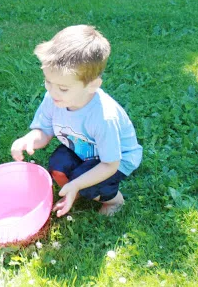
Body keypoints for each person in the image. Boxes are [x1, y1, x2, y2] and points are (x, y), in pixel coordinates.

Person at [11, 25, 142, 217]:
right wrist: (29, 139)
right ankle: (74, 192)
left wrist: (78, 183)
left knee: (89, 184)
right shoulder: (53, 98)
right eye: (48, 82)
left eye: (63, 88)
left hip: (114, 159)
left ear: (92, 86)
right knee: (57, 165)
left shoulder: (104, 117)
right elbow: (44, 131)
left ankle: (114, 201)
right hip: (81, 149)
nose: (52, 92)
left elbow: (109, 165)